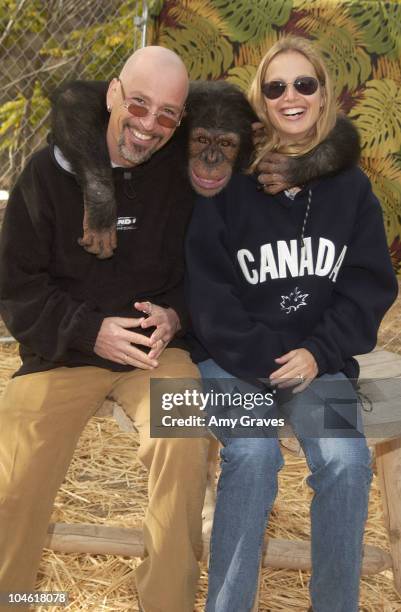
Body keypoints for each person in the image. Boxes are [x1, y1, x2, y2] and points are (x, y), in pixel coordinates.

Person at [185, 36, 398, 612]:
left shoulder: (351, 188)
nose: (291, 97)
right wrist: (261, 359)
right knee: (253, 455)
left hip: (314, 364)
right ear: (262, 99)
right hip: (230, 363)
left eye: (304, 84)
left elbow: (367, 287)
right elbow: (206, 291)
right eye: (276, 87)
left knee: (348, 463)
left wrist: (317, 351)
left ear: (324, 93)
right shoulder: (227, 179)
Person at [0, 46, 210, 612]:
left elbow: (211, 269)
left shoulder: (184, 178)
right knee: (15, 474)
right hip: (63, 353)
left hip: (152, 353)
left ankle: (165, 604)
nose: (148, 126)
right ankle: (10, 598)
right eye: (138, 104)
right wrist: (88, 330)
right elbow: (16, 287)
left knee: (185, 439)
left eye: (167, 114)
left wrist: (176, 314)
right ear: (112, 94)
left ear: (180, 119)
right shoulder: (49, 172)